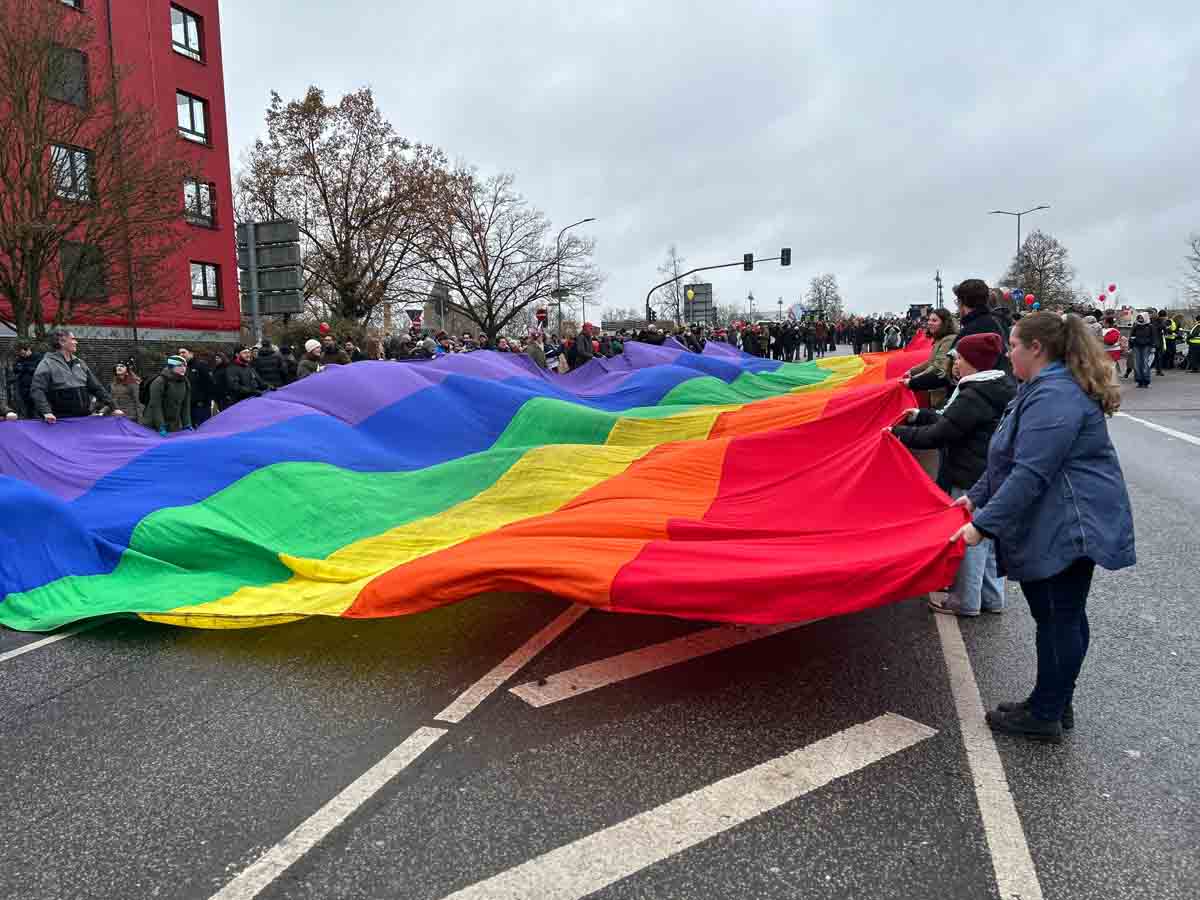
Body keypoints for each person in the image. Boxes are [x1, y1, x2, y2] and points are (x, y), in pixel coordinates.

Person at [951, 312, 1135, 742]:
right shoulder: (1038, 389)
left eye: (1013, 344)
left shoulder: (1055, 396)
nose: (1008, 351)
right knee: (1050, 615)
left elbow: (1031, 472)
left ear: (1037, 348)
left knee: (1061, 616)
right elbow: (1005, 456)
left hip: (1072, 523)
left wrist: (983, 525)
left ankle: (1048, 711)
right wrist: (976, 495)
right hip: (1056, 518)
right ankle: (1049, 699)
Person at [892, 333, 1016, 616]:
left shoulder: (973, 394)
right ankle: (991, 598)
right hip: (988, 470)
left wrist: (898, 434)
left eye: (959, 358)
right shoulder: (996, 387)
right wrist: (920, 415)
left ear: (972, 362)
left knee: (970, 539)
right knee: (990, 539)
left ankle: (966, 601)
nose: (955, 363)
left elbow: (942, 433)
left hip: (970, 474)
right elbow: (955, 421)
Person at [30, 330, 122, 423]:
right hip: (60, 421)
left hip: (83, 418)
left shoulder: (80, 363)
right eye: (73, 339)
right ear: (62, 342)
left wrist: (114, 407)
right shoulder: (47, 363)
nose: (76, 342)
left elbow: (96, 388)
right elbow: (37, 390)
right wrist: (46, 412)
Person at [904, 308, 958, 407]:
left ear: (944, 323)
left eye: (934, 320)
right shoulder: (940, 339)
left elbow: (937, 366)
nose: (929, 323)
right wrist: (911, 371)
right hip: (936, 391)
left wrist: (914, 380)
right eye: (929, 320)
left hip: (943, 393)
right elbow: (930, 362)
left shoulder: (949, 340)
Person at [142, 355, 193, 435]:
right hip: (153, 423)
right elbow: (155, 406)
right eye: (179, 365)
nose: (183, 368)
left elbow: (185, 405)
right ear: (171, 367)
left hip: (173, 424)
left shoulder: (185, 382)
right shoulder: (160, 381)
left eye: (185, 366)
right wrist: (161, 426)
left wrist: (187, 423)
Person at [10, 343, 42, 417]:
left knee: (38, 408)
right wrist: (24, 368)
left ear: (28, 350)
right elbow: (16, 369)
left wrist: (25, 368)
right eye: (21, 354)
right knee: (27, 409)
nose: (22, 355)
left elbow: (37, 370)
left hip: (35, 386)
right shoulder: (20, 359)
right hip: (23, 388)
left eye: (23, 353)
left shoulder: (38, 357)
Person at [1128, 313, 1155, 388]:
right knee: (1137, 364)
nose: (1140, 319)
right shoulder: (1136, 326)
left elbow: (1153, 337)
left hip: (1146, 346)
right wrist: (1130, 346)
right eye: (1139, 318)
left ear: (1145, 318)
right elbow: (1131, 336)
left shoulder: (1150, 326)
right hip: (1136, 346)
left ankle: (1146, 381)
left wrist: (1153, 347)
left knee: (1145, 363)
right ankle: (1139, 381)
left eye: (1141, 318)